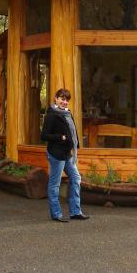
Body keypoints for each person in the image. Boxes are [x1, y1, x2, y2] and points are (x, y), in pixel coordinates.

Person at [41, 88, 90, 222]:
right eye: (62, 99)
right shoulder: (51, 115)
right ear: (56, 98)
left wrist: (76, 145)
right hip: (56, 154)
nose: (65, 102)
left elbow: (72, 132)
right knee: (55, 184)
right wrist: (60, 137)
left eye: (67, 100)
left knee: (76, 178)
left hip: (67, 153)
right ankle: (56, 214)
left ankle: (75, 212)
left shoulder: (67, 114)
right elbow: (44, 135)